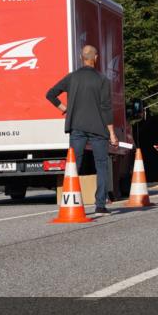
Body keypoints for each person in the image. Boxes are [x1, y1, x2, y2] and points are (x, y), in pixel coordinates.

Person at [46, 44, 119, 215]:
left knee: (73, 166)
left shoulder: (72, 78)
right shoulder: (102, 80)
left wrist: (63, 107)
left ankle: (71, 202)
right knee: (101, 165)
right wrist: (112, 133)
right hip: (98, 128)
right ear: (96, 58)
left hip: (76, 127)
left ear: (81, 58)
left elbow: (50, 94)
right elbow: (106, 108)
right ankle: (100, 204)